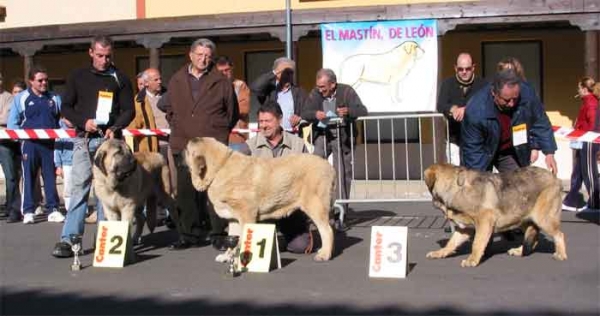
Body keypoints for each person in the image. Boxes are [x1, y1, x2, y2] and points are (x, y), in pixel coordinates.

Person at [52, 35, 134, 258]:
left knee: (106, 192)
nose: (104, 60)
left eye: (108, 56)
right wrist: (82, 122)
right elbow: (66, 107)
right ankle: (69, 240)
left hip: (110, 143)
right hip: (84, 140)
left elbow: (129, 110)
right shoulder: (77, 76)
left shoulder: (120, 78)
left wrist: (116, 126)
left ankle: (104, 240)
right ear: (91, 53)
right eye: (99, 56)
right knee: (79, 189)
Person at [161, 38, 239, 250]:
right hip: (184, 145)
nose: (203, 59)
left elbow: (232, 113)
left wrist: (216, 130)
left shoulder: (221, 81)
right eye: (199, 55)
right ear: (191, 55)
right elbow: (169, 109)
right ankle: (189, 234)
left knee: (215, 191)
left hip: (212, 147)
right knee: (185, 192)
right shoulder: (177, 79)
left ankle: (218, 233)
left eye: (207, 56)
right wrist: (180, 125)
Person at [234, 101, 312, 253]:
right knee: (261, 249)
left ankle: (290, 236)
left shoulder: (298, 144)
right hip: (263, 211)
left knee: (300, 247)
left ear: (280, 119)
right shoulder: (249, 147)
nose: (263, 125)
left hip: (291, 209)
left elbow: (309, 177)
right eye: (261, 121)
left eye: (268, 121)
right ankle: (272, 239)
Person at [461, 69, 557, 174]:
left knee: (519, 185)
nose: (511, 104)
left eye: (515, 99)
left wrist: (549, 152)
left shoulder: (527, 94)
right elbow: (473, 151)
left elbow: (540, 121)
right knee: (482, 185)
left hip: (508, 151)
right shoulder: (475, 110)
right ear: (494, 93)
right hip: (482, 151)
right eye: (506, 100)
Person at [302, 68, 368, 203]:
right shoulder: (315, 93)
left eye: (323, 87)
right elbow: (305, 113)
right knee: (314, 167)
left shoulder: (347, 91)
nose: (320, 90)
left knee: (342, 172)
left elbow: (362, 110)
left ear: (333, 84)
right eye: (318, 86)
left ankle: (341, 210)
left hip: (343, 135)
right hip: (322, 134)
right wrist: (315, 114)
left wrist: (348, 111)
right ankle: (314, 205)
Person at [8, 66, 63, 224]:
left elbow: (59, 120)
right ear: (31, 81)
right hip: (30, 144)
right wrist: (21, 139)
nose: (44, 83)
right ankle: (28, 211)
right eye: (40, 80)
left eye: (46, 80)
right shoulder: (21, 98)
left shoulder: (54, 98)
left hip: (49, 145)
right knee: (29, 178)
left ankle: (53, 209)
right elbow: (13, 123)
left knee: (50, 177)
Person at [437, 53, 487, 165]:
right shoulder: (447, 83)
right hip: (454, 138)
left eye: (468, 69)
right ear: (455, 68)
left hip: (477, 140)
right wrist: (452, 108)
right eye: (460, 69)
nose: (464, 72)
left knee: (475, 176)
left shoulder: (483, 84)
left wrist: (467, 109)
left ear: (473, 67)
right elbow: (440, 105)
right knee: (455, 177)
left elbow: (487, 105)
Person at [562, 78, 599, 212]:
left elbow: (593, 125)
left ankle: (596, 203)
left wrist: (586, 137)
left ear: (584, 89)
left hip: (589, 141)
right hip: (583, 140)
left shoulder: (591, 103)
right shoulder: (586, 102)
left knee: (589, 173)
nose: (577, 90)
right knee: (578, 172)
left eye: (579, 87)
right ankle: (571, 201)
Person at [250, 57, 307, 133]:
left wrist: (300, 119)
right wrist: (274, 72)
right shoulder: (269, 90)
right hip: (270, 135)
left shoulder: (299, 92)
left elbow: (308, 112)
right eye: (285, 72)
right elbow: (255, 87)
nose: (288, 76)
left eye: (291, 73)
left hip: (291, 136)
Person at [215, 56, 251, 149]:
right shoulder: (212, 88)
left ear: (232, 68)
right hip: (217, 138)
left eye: (226, 70)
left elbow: (243, 110)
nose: (224, 73)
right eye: (220, 71)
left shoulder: (240, 85)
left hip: (237, 137)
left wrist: (219, 111)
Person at [0, 72, 22, 223]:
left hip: (4, 141)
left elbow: (6, 118)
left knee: (11, 176)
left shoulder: (8, 97)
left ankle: (11, 206)